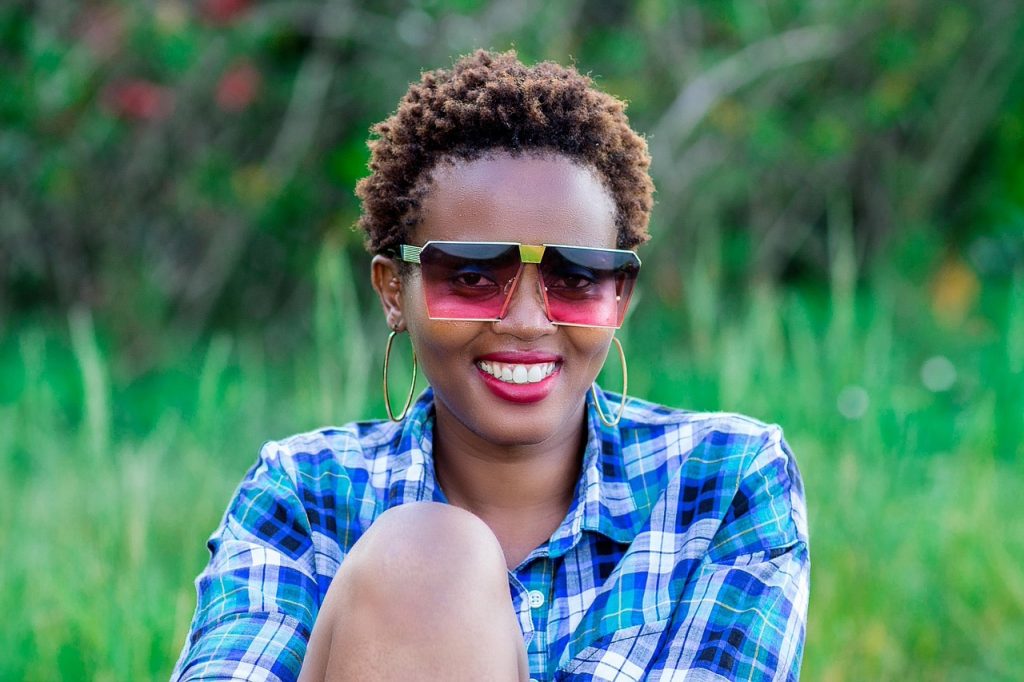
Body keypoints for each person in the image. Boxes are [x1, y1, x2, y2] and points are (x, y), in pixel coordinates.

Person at [172, 50, 809, 682]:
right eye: (473, 277)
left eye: (575, 279)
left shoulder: (723, 479)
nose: (528, 323)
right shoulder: (304, 493)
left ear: (618, 297)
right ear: (394, 291)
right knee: (424, 560)